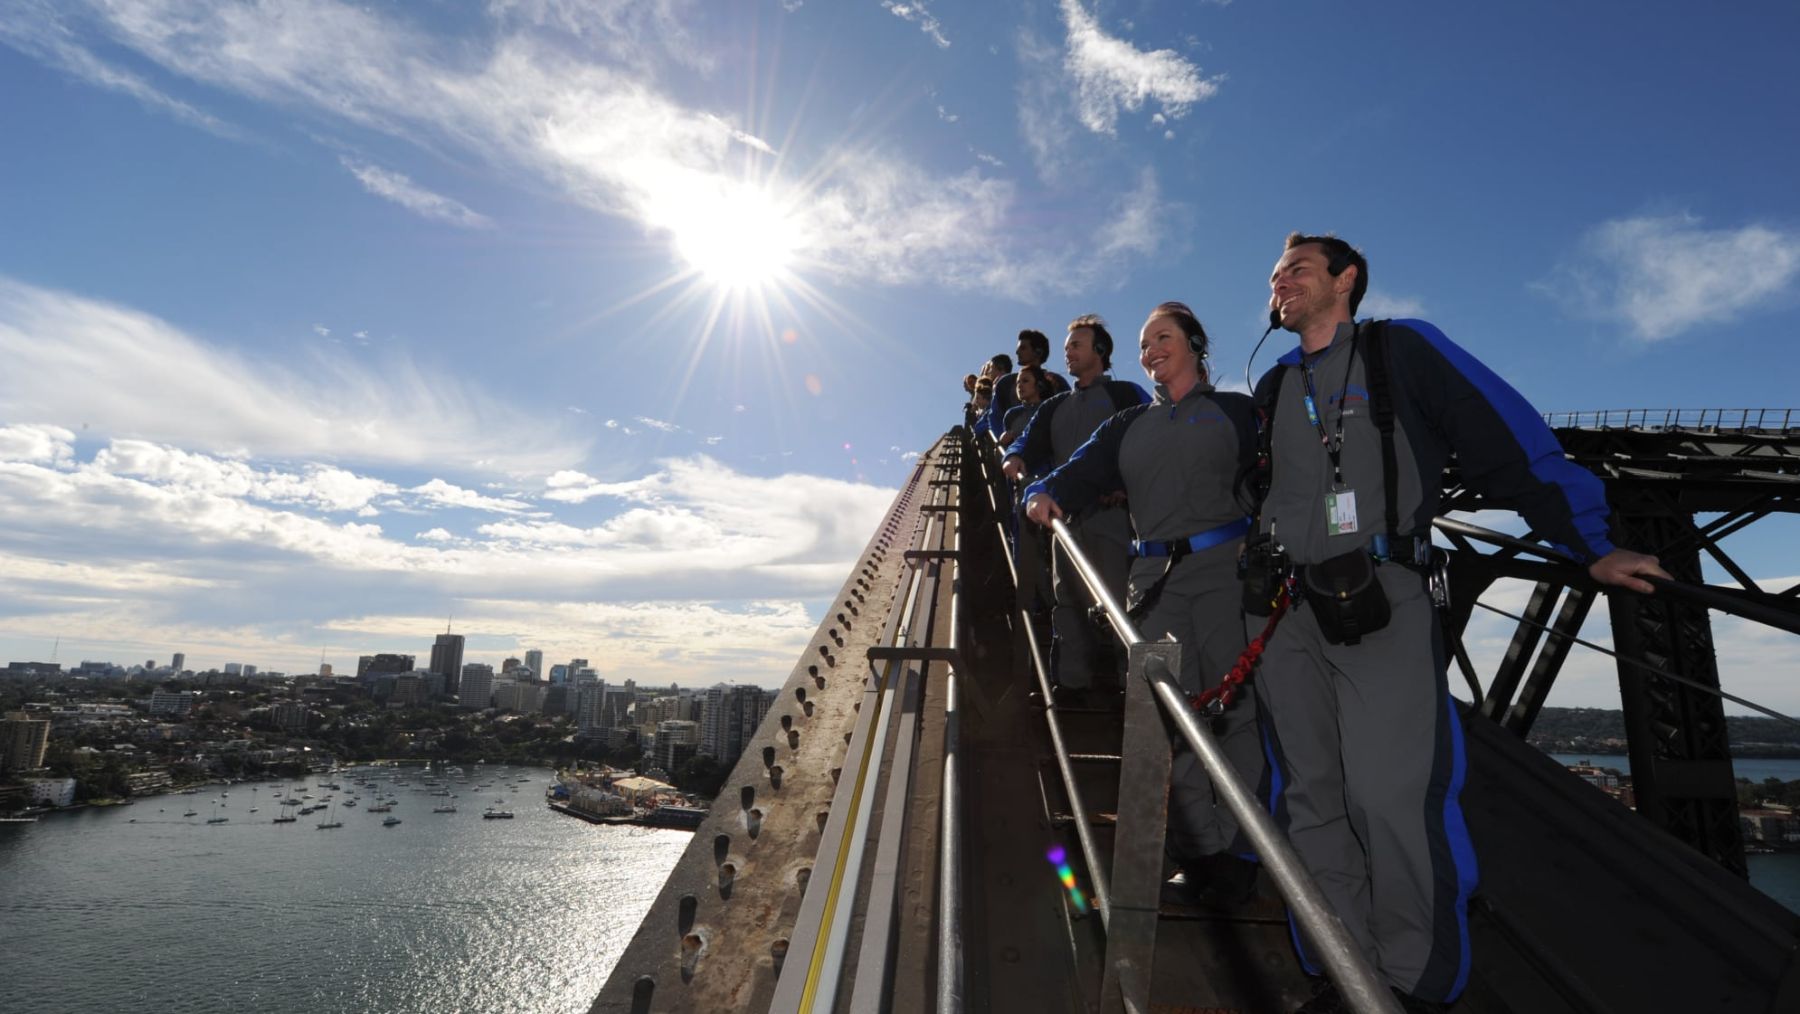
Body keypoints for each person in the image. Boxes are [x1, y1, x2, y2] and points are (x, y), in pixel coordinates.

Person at [1251, 233, 1669, 1013]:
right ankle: (1339, 965)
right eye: (1275, 274)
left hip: (1384, 599)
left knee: (1389, 794)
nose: (1280, 282)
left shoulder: (1401, 350)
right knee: (1310, 799)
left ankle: (1411, 984)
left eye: (1298, 269)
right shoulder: (1274, 387)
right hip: (1287, 615)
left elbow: (1506, 441)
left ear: (1347, 280)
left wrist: (1593, 545)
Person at [1023, 302, 1265, 904]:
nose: (1151, 349)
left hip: (1227, 574)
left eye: (1163, 337)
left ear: (1195, 344)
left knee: (1237, 717)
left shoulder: (1238, 412)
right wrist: (1040, 492)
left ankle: (1241, 850)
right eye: (1143, 343)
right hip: (1154, 579)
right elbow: (1074, 472)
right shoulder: (1128, 424)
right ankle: (1198, 849)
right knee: (1167, 718)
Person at [1002, 315, 1150, 695]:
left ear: (1100, 351)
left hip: (1112, 516)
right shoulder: (1054, 406)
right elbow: (1028, 442)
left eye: (1076, 345)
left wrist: (1125, 487)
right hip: (1064, 518)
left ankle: (1129, 685)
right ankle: (1070, 684)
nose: (1067, 352)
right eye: (1067, 346)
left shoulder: (1126, 395)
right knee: (1065, 600)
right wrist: (1015, 456)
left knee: (1118, 598)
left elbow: (1152, 439)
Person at [980, 330, 1068, 437]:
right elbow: (995, 416)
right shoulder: (1005, 383)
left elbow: (1068, 413)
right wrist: (1003, 440)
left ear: (1038, 352)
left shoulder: (1057, 381)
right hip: (1013, 445)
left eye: (1023, 348)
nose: (1017, 352)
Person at [1000, 364, 1050, 448]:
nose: (1019, 385)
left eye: (1025, 381)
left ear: (1039, 384)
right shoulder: (1012, 414)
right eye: (1018, 382)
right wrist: (1002, 441)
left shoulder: (1050, 408)